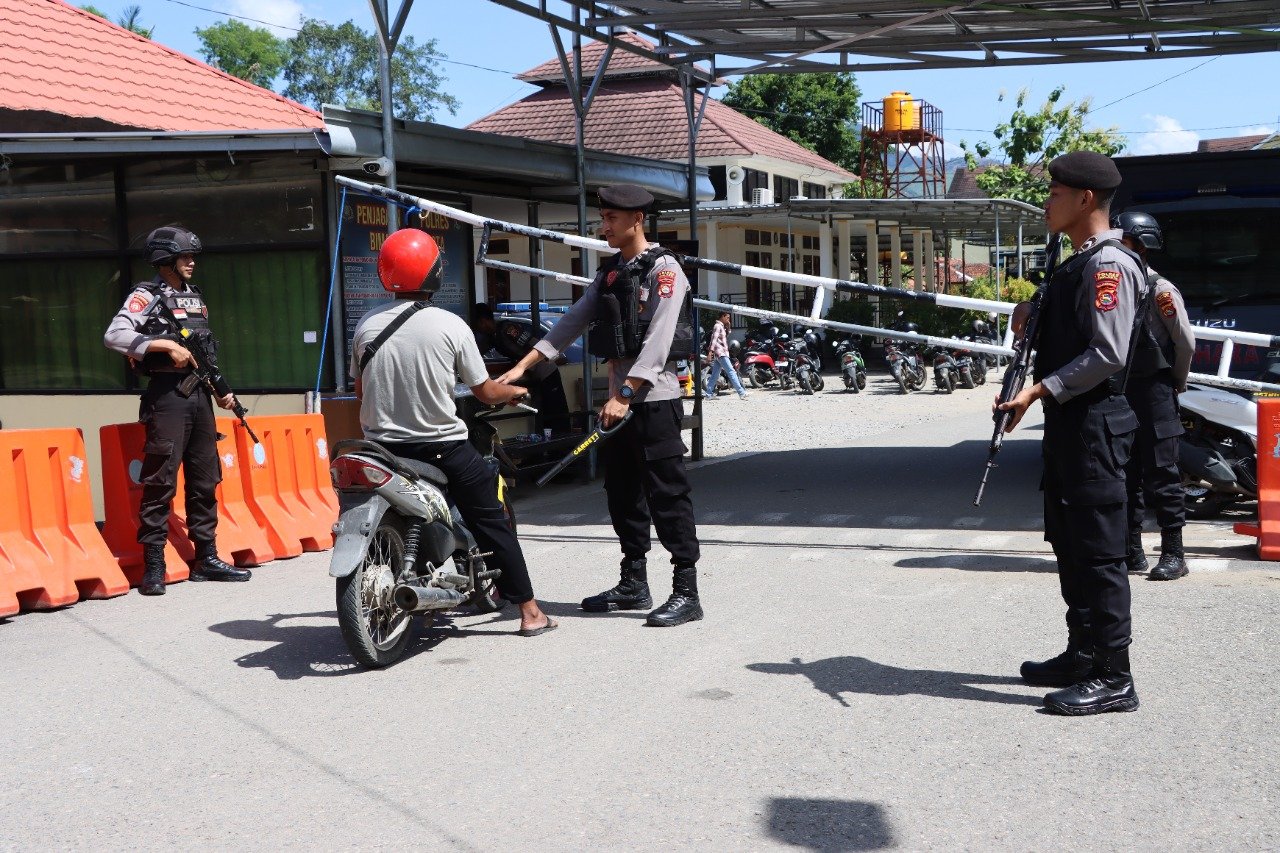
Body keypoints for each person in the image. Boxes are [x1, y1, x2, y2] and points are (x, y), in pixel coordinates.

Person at [497, 184, 704, 627]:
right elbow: (571, 322)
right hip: (619, 403)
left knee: (667, 496)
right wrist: (523, 366)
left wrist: (625, 393)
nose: (603, 226)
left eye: (611, 218)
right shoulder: (612, 273)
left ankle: (687, 591)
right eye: (603, 217)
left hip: (651, 400)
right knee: (622, 494)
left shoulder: (665, 270)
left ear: (637, 220)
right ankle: (634, 583)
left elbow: (660, 338)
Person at [996, 151, 1146, 716]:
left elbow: (1107, 353)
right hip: (1070, 425)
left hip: (1095, 425)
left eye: (1055, 192)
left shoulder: (1110, 265)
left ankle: (1114, 673)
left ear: (1085, 199)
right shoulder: (1074, 262)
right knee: (1070, 543)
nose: (1046, 201)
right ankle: (1083, 652)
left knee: (1100, 553)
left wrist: (1040, 391)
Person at [351, 228, 556, 636]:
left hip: (380, 449)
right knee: (492, 521)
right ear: (433, 274)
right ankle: (531, 613)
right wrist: (513, 391)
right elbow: (484, 391)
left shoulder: (366, 325)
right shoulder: (450, 326)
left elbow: (361, 388)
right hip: (441, 448)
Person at [103, 226, 252, 595]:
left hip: (199, 395)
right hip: (168, 395)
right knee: (160, 481)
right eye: (184, 256)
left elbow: (204, 352)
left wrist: (223, 392)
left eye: (191, 256)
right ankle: (154, 564)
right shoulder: (146, 294)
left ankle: (207, 558)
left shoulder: (195, 297)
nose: (191, 262)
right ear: (165, 260)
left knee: (205, 479)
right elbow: (114, 335)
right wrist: (162, 346)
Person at [1113, 211, 1197, 581]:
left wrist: (1175, 382)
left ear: (1142, 246)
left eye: (1124, 241)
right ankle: (1132, 552)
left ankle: (1174, 554)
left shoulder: (1159, 289)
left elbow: (1184, 342)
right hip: (1121, 389)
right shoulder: (1113, 287)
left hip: (1155, 390)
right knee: (1125, 473)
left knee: (1163, 472)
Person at [704, 310, 748, 400]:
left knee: (715, 375)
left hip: (721, 353)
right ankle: (741, 392)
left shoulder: (721, 326)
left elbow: (724, 337)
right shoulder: (717, 326)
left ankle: (708, 394)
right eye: (727, 317)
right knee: (731, 372)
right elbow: (714, 340)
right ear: (722, 316)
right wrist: (710, 353)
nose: (728, 319)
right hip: (721, 353)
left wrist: (728, 326)